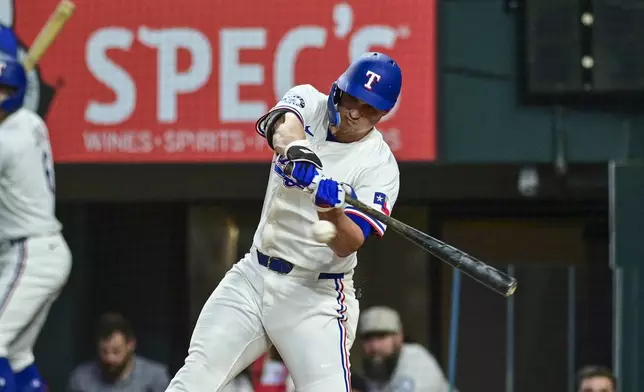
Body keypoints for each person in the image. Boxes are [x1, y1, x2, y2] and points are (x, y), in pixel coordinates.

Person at [165, 52, 402, 392]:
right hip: (254, 276)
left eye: (370, 109)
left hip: (316, 294)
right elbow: (283, 127)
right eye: (354, 98)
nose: (355, 113)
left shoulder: (379, 167)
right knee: (194, 379)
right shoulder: (309, 99)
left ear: (382, 115)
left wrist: (331, 210)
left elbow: (348, 242)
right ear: (339, 89)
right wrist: (299, 152)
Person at [0, 29, 72, 391]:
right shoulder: (32, 122)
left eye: (3, 92)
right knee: (17, 355)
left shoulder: (7, 141)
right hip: (44, 250)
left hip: (29, 252)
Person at [66, 312, 170, 392]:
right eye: (104, 351)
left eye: (116, 351)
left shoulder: (155, 378)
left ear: (131, 345)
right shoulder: (81, 379)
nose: (110, 358)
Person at [359, 306, 453, 392]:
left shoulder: (417, 361)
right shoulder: (375, 369)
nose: (375, 346)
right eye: (368, 339)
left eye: (381, 336)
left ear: (398, 337)